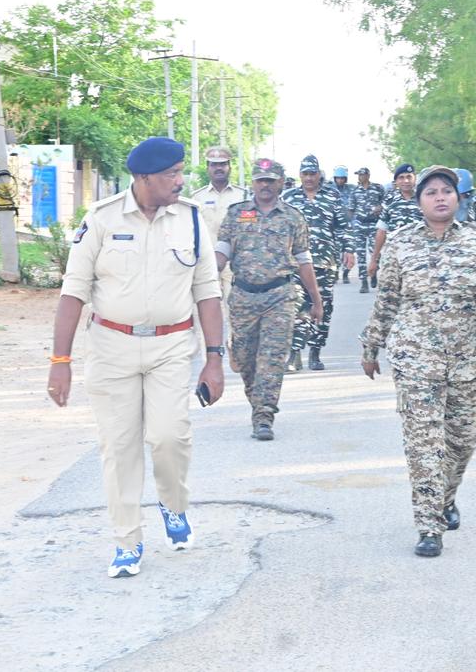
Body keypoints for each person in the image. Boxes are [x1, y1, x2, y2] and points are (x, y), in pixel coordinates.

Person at [46, 137, 226, 578]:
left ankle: (173, 504)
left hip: (171, 347)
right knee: (120, 447)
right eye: (171, 174)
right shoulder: (102, 218)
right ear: (144, 178)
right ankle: (127, 541)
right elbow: (74, 291)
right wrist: (60, 361)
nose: (181, 181)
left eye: (181, 172)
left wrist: (214, 358)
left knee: (169, 437)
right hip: (112, 348)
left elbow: (207, 291)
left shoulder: (192, 219)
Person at [360, 165, 476, 558]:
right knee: (424, 443)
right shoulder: (400, 243)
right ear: (419, 202)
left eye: (447, 191)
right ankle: (429, 526)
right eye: (431, 192)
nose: (440, 197)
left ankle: (446, 497)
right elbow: (387, 300)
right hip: (415, 359)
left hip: (466, 357)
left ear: (458, 198)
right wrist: (371, 345)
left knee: (461, 441)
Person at [217, 158, 324, 441]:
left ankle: (264, 416)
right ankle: (258, 403)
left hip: (280, 297)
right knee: (245, 359)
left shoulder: (292, 217)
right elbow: (221, 253)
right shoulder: (236, 214)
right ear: (253, 183)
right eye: (260, 180)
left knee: (272, 360)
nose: (265, 185)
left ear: (280, 183)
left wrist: (316, 300)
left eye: (271, 180)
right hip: (243, 297)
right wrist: (202, 278)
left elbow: (304, 260)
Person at [281, 155, 355, 372]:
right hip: (295, 264)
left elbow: (343, 226)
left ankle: (315, 352)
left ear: (319, 175)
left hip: (325, 263)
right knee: (296, 306)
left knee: (323, 307)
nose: (309, 178)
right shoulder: (289, 198)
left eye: (312, 174)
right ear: (300, 175)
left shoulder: (331, 197)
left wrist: (349, 249)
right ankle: (294, 353)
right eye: (305, 174)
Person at [192, 146, 249, 349]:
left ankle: (236, 356)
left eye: (223, 164)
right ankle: (208, 355)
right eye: (214, 165)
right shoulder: (196, 198)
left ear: (229, 167)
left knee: (237, 312)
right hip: (206, 264)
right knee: (205, 312)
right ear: (208, 168)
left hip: (235, 264)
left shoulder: (243, 196)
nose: (219, 168)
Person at [368, 163, 424, 277]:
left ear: (415, 178)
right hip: (394, 257)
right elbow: (381, 231)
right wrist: (374, 259)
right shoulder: (390, 201)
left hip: (419, 256)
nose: (406, 181)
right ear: (396, 181)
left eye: (409, 177)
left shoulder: (424, 198)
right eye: (401, 178)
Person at [349, 167, 386, 293]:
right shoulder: (355, 191)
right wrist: (350, 226)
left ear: (368, 175)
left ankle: (373, 273)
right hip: (360, 224)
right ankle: (364, 281)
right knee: (360, 254)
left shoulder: (378, 188)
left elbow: (385, 202)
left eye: (362, 175)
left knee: (374, 252)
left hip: (373, 224)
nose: (360, 177)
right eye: (359, 175)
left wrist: (380, 207)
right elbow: (351, 209)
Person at [330, 165, 357, 282]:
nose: (340, 180)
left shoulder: (352, 189)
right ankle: (336, 271)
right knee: (336, 251)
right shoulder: (329, 189)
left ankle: (346, 273)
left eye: (342, 178)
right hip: (335, 225)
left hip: (349, 225)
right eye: (338, 178)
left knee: (349, 250)